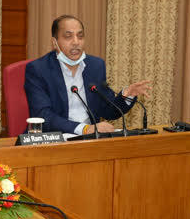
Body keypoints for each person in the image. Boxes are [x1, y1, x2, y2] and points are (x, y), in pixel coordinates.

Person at [24, 15, 152, 136]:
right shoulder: (38, 69)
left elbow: (107, 110)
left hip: (90, 139)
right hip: (56, 140)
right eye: (68, 37)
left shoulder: (95, 66)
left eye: (80, 36)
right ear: (55, 42)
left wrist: (127, 95)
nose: (76, 42)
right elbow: (42, 116)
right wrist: (84, 129)